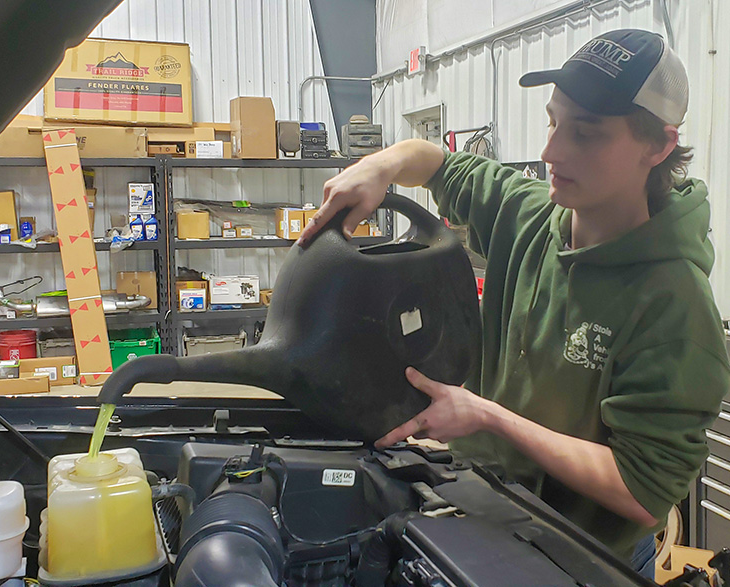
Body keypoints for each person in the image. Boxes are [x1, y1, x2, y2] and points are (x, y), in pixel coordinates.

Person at [298, 29, 730, 576]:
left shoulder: (676, 306)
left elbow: (643, 490)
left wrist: (486, 417)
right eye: (553, 121)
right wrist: (377, 167)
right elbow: (430, 160)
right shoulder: (524, 215)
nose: (551, 151)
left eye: (586, 134)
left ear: (659, 146)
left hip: (584, 560)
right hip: (488, 519)